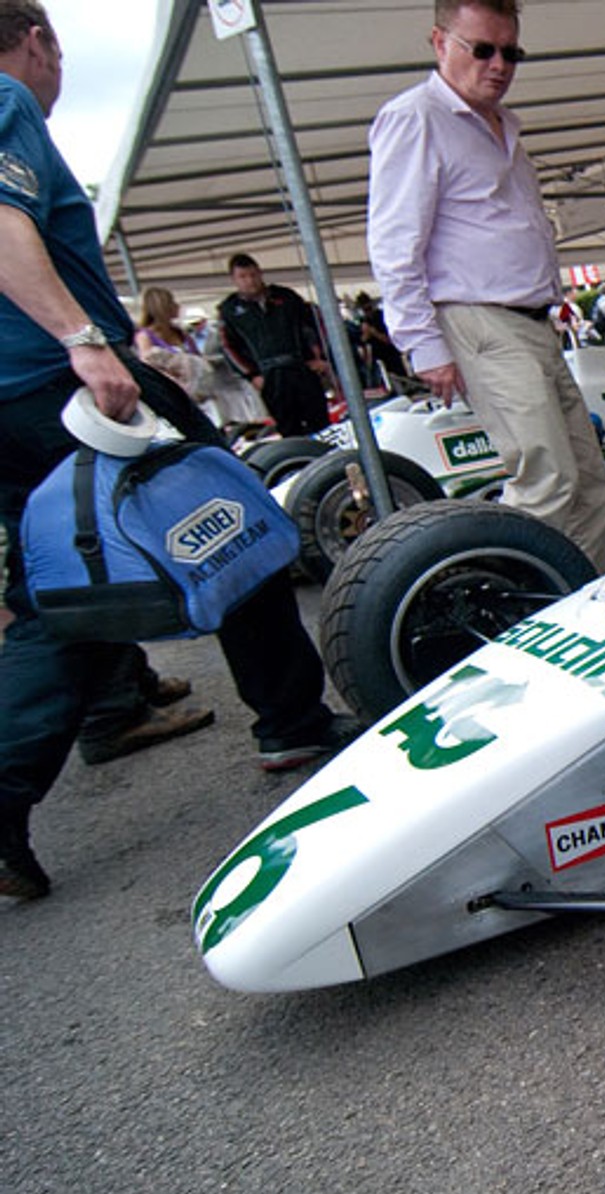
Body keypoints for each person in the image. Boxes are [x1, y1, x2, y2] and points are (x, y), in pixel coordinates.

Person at [0, 2, 360, 899]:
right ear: (38, 40)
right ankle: (290, 721)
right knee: (234, 521)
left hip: (14, 399)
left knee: (60, 595)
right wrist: (83, 339)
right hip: (71, 384)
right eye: (58, 52)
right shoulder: (7, 101)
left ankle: (18, 794)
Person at [366, 0, 605, 572]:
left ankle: (583, 602)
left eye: (511, 52)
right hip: (481, 319)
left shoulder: (501, 126)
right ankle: (515, 614)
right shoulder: (417, 117)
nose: (499, 64)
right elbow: (394, 241)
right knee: (548, 478)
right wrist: (423, 344)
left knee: (588, 480)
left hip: (530, 323)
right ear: (439, 42)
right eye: (483, 49)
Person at [216, 253, 331, 437]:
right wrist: (252, 375)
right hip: (269, 374)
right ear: (234, 279)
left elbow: (314, 326)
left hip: (301, 367)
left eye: (253, 275)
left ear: (260, 273)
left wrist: (320, 358)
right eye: (243, 277)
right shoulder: (229, 310)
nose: (250, 281)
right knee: (289, 428)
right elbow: (228, 347)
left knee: (320, 423)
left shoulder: (285, 297)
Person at [133, 285, 212, 401]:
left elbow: (198, 358)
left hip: (199, 396)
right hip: (173, 396)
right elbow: (149, 367)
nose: (177, 306)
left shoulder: (181, 333)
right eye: (172, 302)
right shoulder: (144, 337)